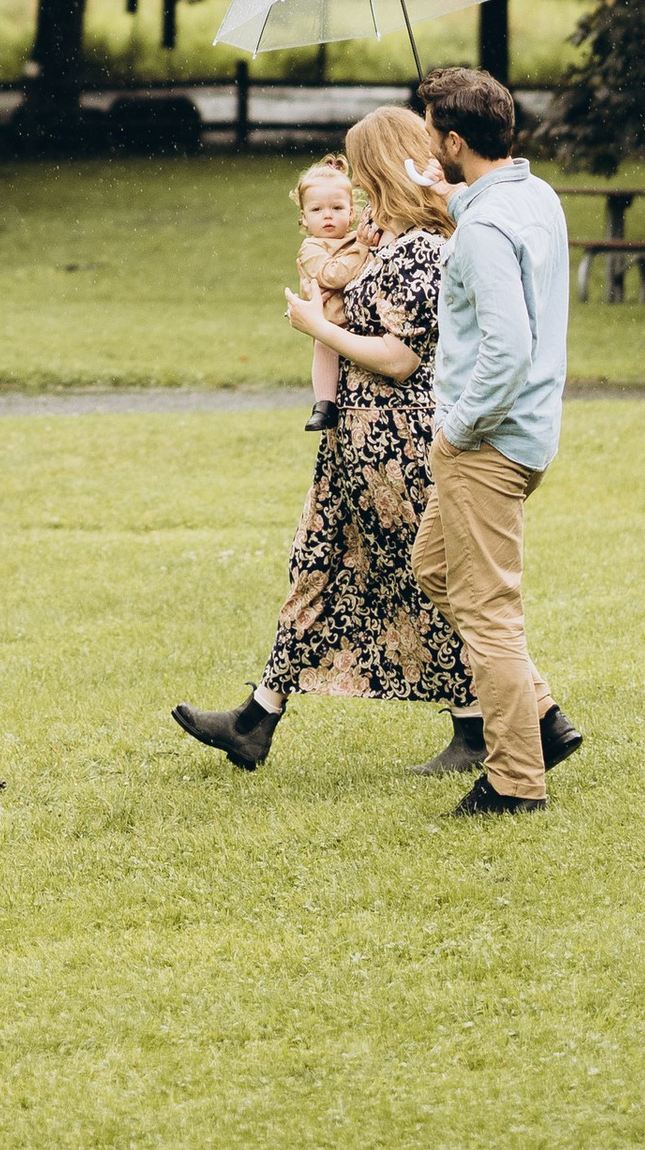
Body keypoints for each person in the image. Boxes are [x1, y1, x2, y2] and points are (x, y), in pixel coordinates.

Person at [172, 107, 483, 771]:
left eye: (363, 169)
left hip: (398, 445)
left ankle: (493, 723)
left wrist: (316, 326)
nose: (360, 187)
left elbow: (401, 359)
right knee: (313, 566)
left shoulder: (427, 248)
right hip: (352, 438)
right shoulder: (385, 241)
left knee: (424, 580)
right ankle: (257, 718)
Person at [409, 62, 585, 817]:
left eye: (430, 134)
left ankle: (516, 781)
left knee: (487, 616)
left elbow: (505, 351)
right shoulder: (531, 195)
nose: (425, 144)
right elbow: (496, 252)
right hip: (531, 433)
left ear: (453, 139)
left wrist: (456, 429)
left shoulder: (483, 226)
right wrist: (455, 203)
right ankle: (540, 719)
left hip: (488, 444)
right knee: (433, 569)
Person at [291, 156, 367, 430]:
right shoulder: (311, 247)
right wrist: (363, 249)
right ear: (304, 217)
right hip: (330, 320)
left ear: (351, 212)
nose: (327, 215)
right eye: (317, 209)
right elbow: (332, 275)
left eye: (337, 207)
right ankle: (324, 405)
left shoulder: (358, 237)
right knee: (324, 347)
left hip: (359, 322)